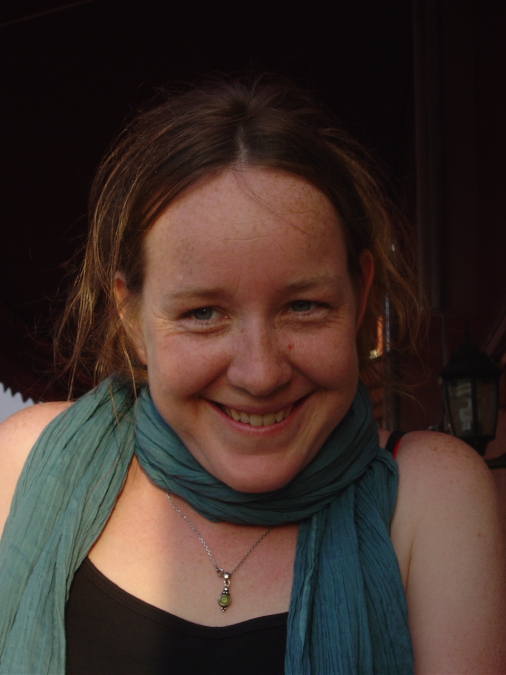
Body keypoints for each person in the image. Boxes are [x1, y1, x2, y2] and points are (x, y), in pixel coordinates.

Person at [0, 76, 505, 675]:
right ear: (131, 318)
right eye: (203, 314)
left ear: (360, 294)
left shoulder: (431, 496)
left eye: (303, 306)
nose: (261, 374)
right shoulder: (26, 463)